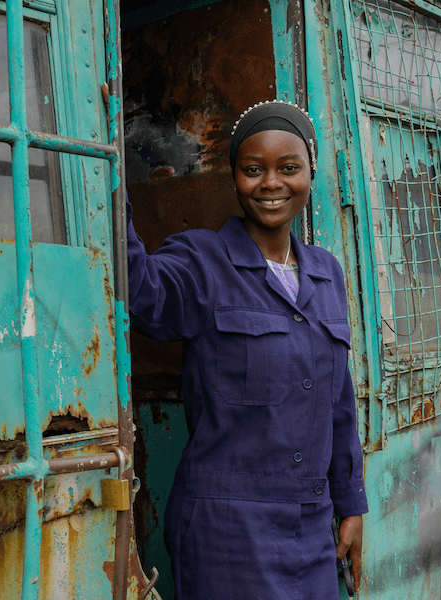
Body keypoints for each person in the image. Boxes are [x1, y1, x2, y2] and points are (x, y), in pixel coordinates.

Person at [126, 101, 368, 599]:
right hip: (226, 534)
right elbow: (141, 292)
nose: (271, 183)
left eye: (288, 168)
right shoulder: (203, 260)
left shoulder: (327, 273)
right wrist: (103, 173)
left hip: (313, 528)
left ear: (310, 173)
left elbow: (338, 402)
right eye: (253, 170)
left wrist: (351, 505)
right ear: (235, 178)